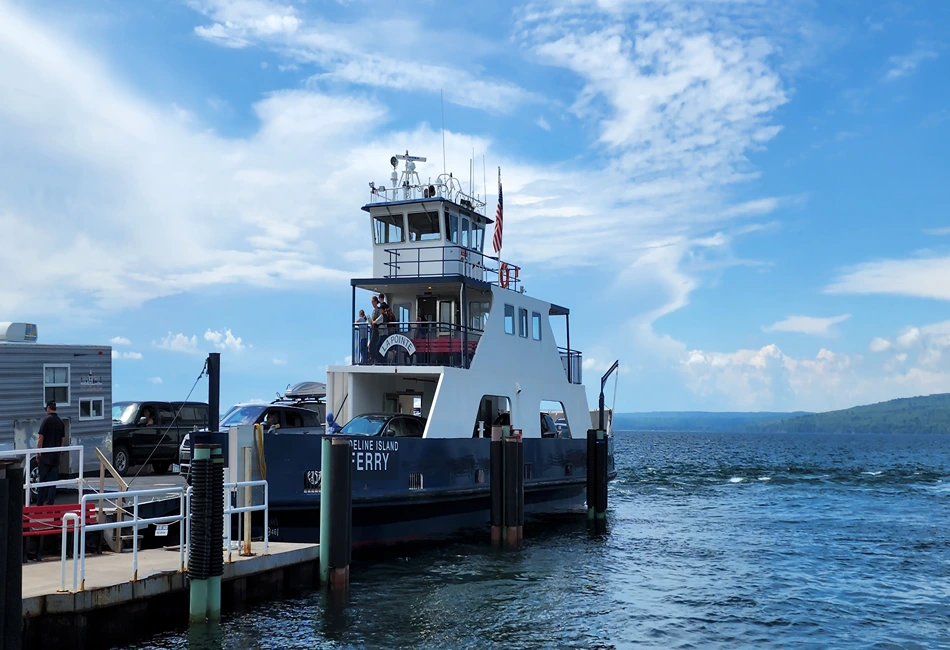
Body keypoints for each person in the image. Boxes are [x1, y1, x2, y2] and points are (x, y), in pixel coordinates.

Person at [36, 400, 65, 506]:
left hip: (45, 457)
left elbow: (40, 438)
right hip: (55, 457)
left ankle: (39, 505)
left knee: (42, 481)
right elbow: (62, 440)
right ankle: (50, 504)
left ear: (48, 408)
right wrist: (60, 452)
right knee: (53, 483)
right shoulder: (60, 422)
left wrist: (38, 453)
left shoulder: (46, 421)